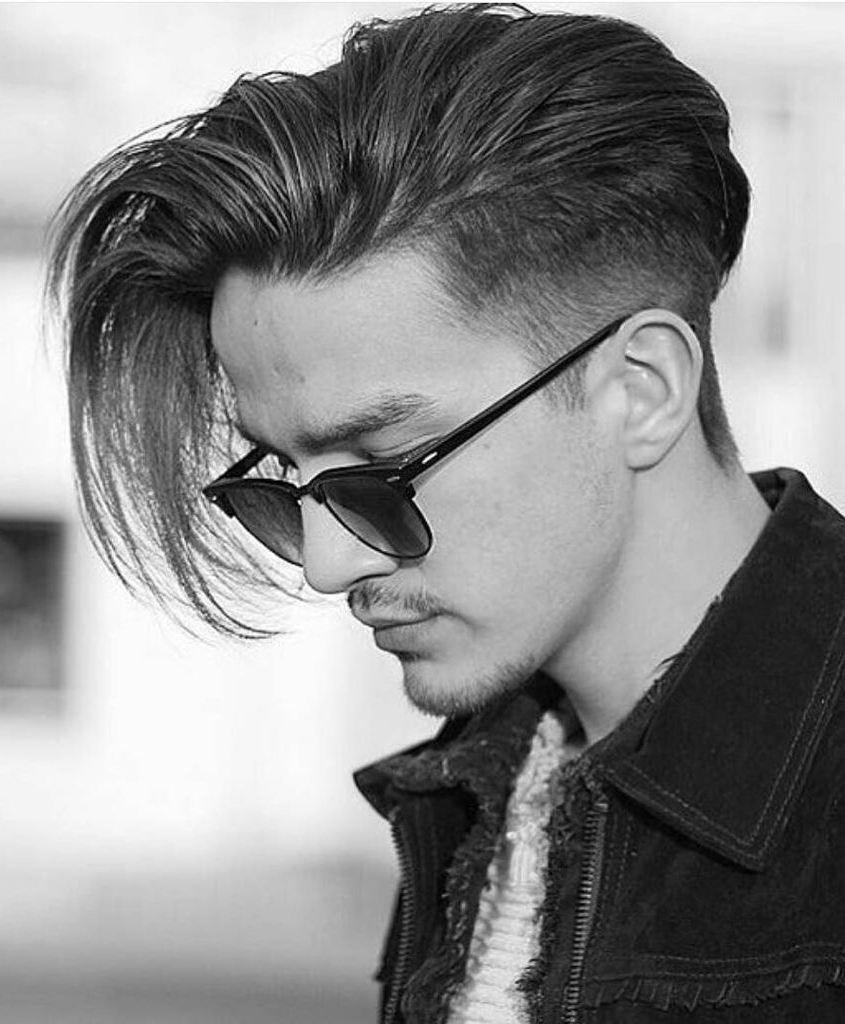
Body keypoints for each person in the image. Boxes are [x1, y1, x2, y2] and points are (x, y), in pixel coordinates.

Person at [47, 5, 845, 1021]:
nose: (327, 566)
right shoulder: (473, 800)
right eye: (286, 476)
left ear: (639, 389)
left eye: (385, 466)